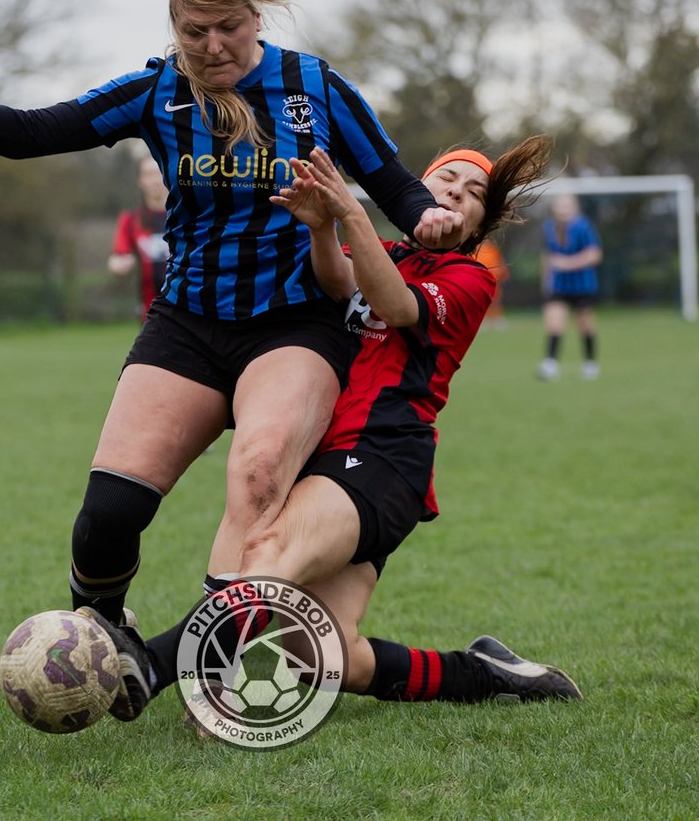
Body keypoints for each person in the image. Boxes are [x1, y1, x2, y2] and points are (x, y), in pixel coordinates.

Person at [0, 0, 466, 645]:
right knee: (109, 514)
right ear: (173, 28)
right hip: (189, 324)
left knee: (260, 477)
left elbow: (392, 181)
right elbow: (29, 133)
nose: (211, 46)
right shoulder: (157, 92)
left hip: (296, 322)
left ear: (254, 17)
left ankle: (206, 665)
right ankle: (103, 636)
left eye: (227, 27)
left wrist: (428, 220)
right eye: (193, 31)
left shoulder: (312, 85)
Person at [84, 137, 582, 724]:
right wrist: (324, 227)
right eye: (446, 178)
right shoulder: (390, 250)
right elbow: (339, 283)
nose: (456, 192)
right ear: (420, 189)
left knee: (270, 552)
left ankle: (155, 665)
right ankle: (482, 672)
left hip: (381, 460)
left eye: (474, 194)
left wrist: (349, 209)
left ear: (480, 221)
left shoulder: (470, 279)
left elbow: (394, 306)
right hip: (336, 462)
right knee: (318, 652)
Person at [536, 193, 602, 380]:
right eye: (560, 205)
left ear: (574, 207)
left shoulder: (584, 227)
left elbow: (595, 254)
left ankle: (590, 363)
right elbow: (547, 257)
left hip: (582, 285)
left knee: (585, 325)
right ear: (554, 208)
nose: (563, 209)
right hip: (558, 286)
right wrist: (545, 280)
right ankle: (550, 364)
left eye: (567, 205)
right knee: (554, 324)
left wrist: (568, 263)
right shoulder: (548, 228)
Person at [108, 154, 170, 322]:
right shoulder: (130, 221)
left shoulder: (186, 218)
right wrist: (118, 264)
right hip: (150, 312)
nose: (155, 180)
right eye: (149, 174)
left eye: (159, 173)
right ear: (140, 180)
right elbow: (119, 256)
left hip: (187, 309)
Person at [472, 239, 509, 329]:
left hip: (494, 279)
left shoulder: (494, 250)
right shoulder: (476, 250)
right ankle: (481, 320)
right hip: (480, 279)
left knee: (495, 300)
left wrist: (503, 272)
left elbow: (500, 261)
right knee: (480, 300)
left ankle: (496, 318)